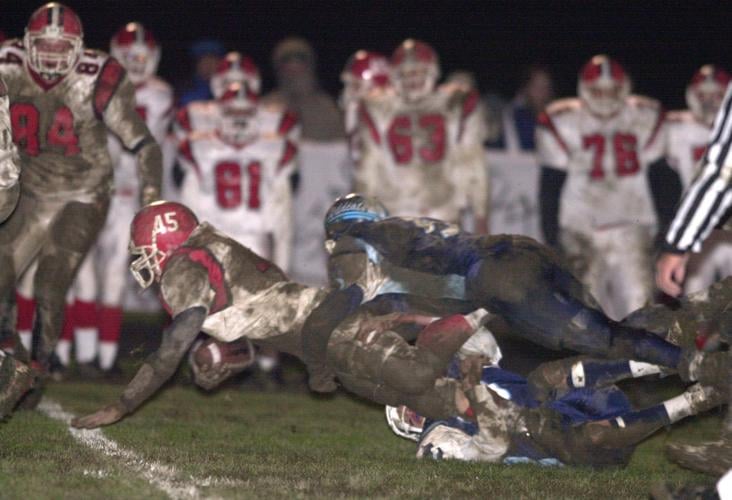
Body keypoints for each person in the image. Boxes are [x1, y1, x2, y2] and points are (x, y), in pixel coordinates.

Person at [69, 201, 495, 429]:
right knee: (409, 396)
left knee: (415, 379)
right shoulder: (213, 250)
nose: (142, 261)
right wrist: (225, 353)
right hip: (315, 335)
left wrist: (124, 403)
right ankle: (499, 414)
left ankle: (478, 318)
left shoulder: (183, 267)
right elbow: (257, 314)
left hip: (329, 328)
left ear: (165, 244)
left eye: (145, 251)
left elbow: (172, 347)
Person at [301, 194, 704, 393]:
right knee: (606, 335)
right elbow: (415, 299)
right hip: (519, 252)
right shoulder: (403, 226)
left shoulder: (356, 245)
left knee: (601, 342)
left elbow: (323, 320)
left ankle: (699, 363)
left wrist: (320, 372)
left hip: (496, 278)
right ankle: (672, 334)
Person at [0, 3, 162, 374]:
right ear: (27, 43)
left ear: (79, 47)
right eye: (45, 45)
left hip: (82, 192)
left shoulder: (99, 76)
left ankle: (38, 367)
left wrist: (152, 196)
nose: (53, 55)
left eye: (62, 47)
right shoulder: (7, 64)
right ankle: (9, 344)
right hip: (27, 189)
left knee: (50, 282)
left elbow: (144, 144)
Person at [536, 55, 669, 321]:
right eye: (598, 90)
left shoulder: (644, 115)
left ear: (625, 88)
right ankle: (589, 364)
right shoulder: (563, 119)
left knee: (641, 313)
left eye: (612, 90)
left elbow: (661, 178)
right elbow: (551, 184)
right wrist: (551, 238)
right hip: (581, 229)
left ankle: (639, 364)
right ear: (584, 89)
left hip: (632, 226)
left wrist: (665, 227)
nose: (606, 96)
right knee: (584, 316)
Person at [656, 64, 732, 478]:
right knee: (702, 314)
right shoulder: (676, 128)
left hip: (709, 225)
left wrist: (677, 242)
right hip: (714, 229)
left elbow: (723, 169)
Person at [356, 39, 489, 233]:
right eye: (405, 73)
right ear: (394, 76)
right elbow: (368, 169)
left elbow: (472, 161)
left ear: (432, 71)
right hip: (395, 215)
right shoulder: (378, 108)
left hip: (443, 214)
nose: (412, 78)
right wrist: (363, 218)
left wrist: (481, 214)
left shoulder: (455, 104)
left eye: (418, 71)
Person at [177, 82, 295, 273]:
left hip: (253, 241)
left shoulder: (276, 149)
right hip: (211, 240)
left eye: (246, 112)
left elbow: (283, 219)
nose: (239, 119)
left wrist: (283, 270)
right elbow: (188, 207)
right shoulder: (198, 147)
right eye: (233, 112)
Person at [665, 65, 732, 294]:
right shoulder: (676, 128)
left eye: (717, 95)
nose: (710, 102)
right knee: (694, 300)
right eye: (703, 95)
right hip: (698, 227)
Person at [261, 37, 344, 142]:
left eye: (299, 60)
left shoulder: (326, 107)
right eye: (287, 61)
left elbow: (340, 145)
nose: (293, 67)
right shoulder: (266, 106)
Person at [177, 39, 224, 107]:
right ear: (197, 64)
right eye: (204, 61)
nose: (209, 65)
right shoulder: (185, 86)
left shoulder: (226, 84)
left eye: (213, 61)